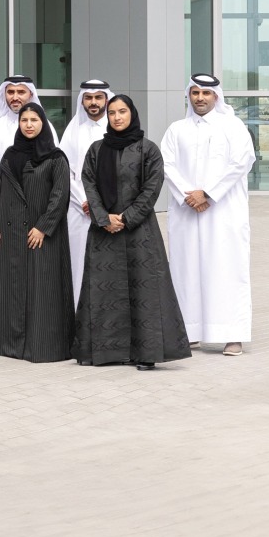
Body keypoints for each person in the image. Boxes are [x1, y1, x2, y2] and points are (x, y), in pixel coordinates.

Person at [74, 95, 191, 371]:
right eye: (112, 112)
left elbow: (151, 188)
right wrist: (104, 218)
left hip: (140, 233)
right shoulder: (96, 149)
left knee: (145, 290)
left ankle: (146, 354)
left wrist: (125, 219)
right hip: (104, 234)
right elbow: (88, 183)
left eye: (122, 111)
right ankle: (106, 352)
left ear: (132, 114)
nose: (116, 117)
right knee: (105, 291)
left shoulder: (148, 150)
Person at [161, 73, 257, 357]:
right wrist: (189, 194)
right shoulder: (176, 129)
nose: (200, 98)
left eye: (206, 93)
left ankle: (232, 335)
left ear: (216, 96)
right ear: (188, 96)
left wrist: (208, 193)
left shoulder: (233, 126)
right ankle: (189, 331)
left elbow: (242, 162)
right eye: (195, 93)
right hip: (186, 211)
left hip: (224, 213)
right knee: (186, 269)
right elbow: (166, 164)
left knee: (227, 269)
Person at [0, 103, 73, 363]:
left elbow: (60, 198)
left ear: (43, 123)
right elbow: (0, 191)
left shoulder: (56, 158)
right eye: (24, 119)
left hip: (42, 236)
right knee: (13, 288)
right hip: (12, 234)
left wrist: (43, 228)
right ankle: (12, 345)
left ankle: (43, 346)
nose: (28, 124)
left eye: (34, 119)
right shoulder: (10, 155)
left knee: (43, 290)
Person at [0, 75, 50, 340]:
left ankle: (27, 321)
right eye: (11, 92)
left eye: (21, 92)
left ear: (31, 95)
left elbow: (52, 165)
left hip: (32, 206)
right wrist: (4, 194)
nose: (15, 97)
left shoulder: (42, 123)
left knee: (28, 261)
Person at [58, 79, 114, 304]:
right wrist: (85, 200)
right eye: (88, 98)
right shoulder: (74, 132)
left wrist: (100, 205)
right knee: (77, 263)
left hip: (110, 210)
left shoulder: (115, 128)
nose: (93, 102)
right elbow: (65, 171)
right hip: (78, 209)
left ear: (106, 99)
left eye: (98, 97)